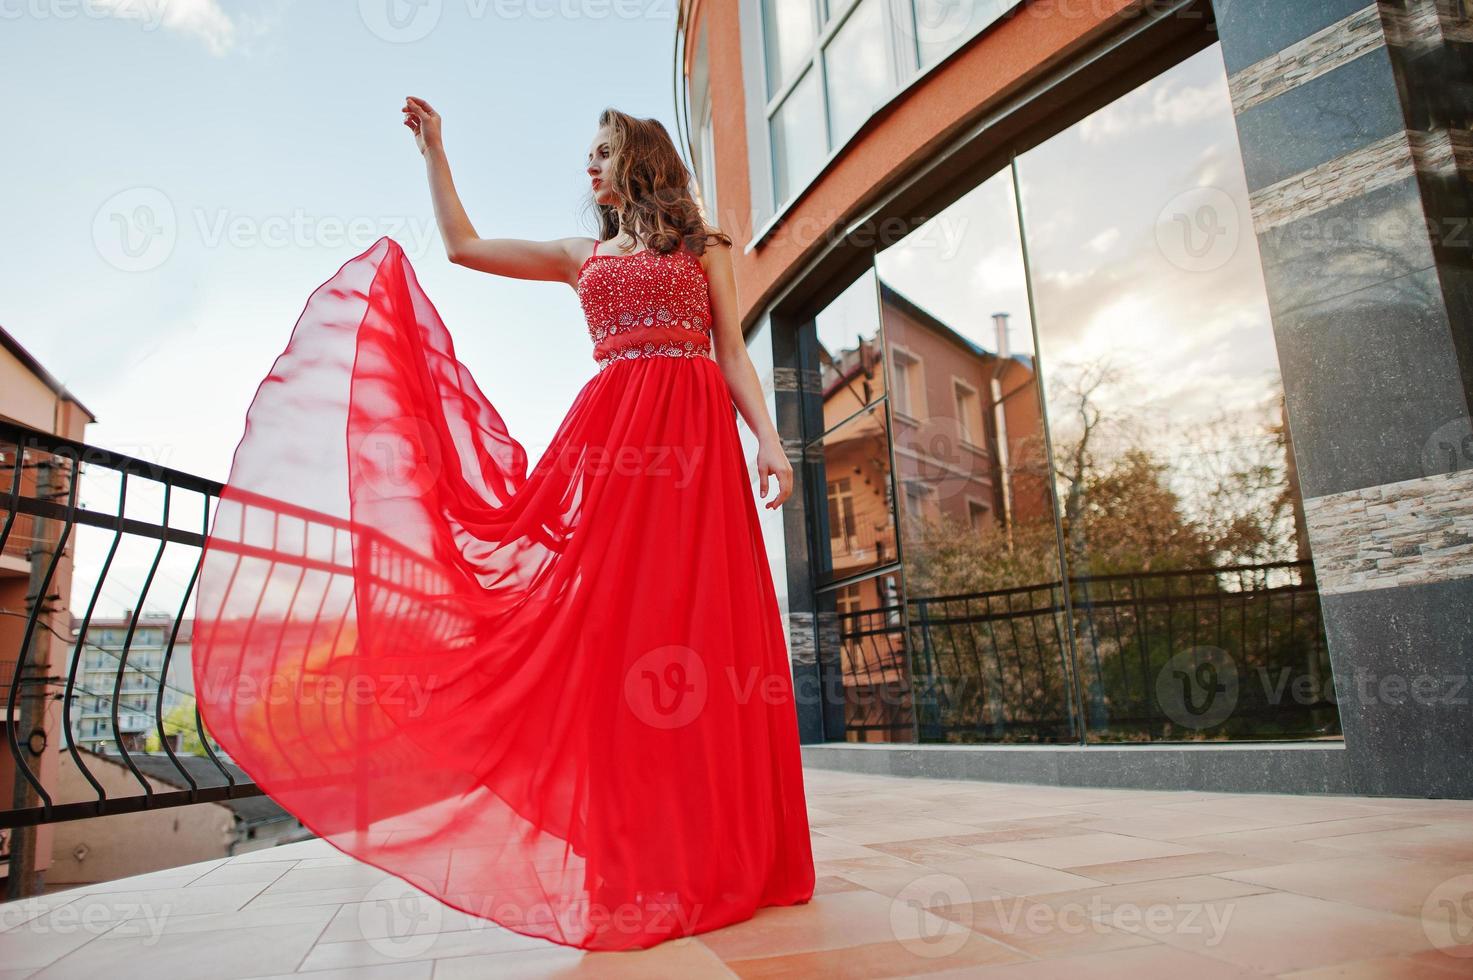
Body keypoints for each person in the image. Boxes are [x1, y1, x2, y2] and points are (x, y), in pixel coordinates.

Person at [189, 99, 816, 953]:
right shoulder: (578, 256)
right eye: (586, 154)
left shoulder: (705, 250)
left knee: (705, 635)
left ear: (643, 157)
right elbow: (463, 248)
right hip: (615, 449)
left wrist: (771, 444)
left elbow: (733, 351)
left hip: (697, 446)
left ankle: (728, 848)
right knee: (614, 638)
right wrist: (435, 154)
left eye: (603, 151)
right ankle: (633, 856)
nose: (589, 167)